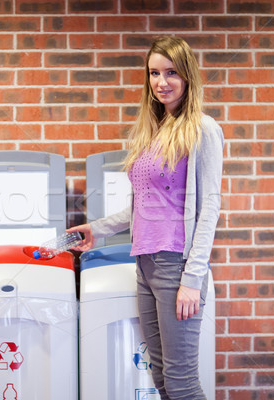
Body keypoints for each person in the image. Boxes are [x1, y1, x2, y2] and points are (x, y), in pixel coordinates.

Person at [68, 36, 224, 399]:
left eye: (171, 72)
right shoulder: (156, 130)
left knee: (183, 385)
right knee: (163, 382)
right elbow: (143, 206)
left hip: (176, 267)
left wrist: (193, 278)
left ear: (187, 76)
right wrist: (97, 229)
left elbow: (209, 208)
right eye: (154, 73)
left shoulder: (202, 129)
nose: (161, 82)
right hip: (145, 265)